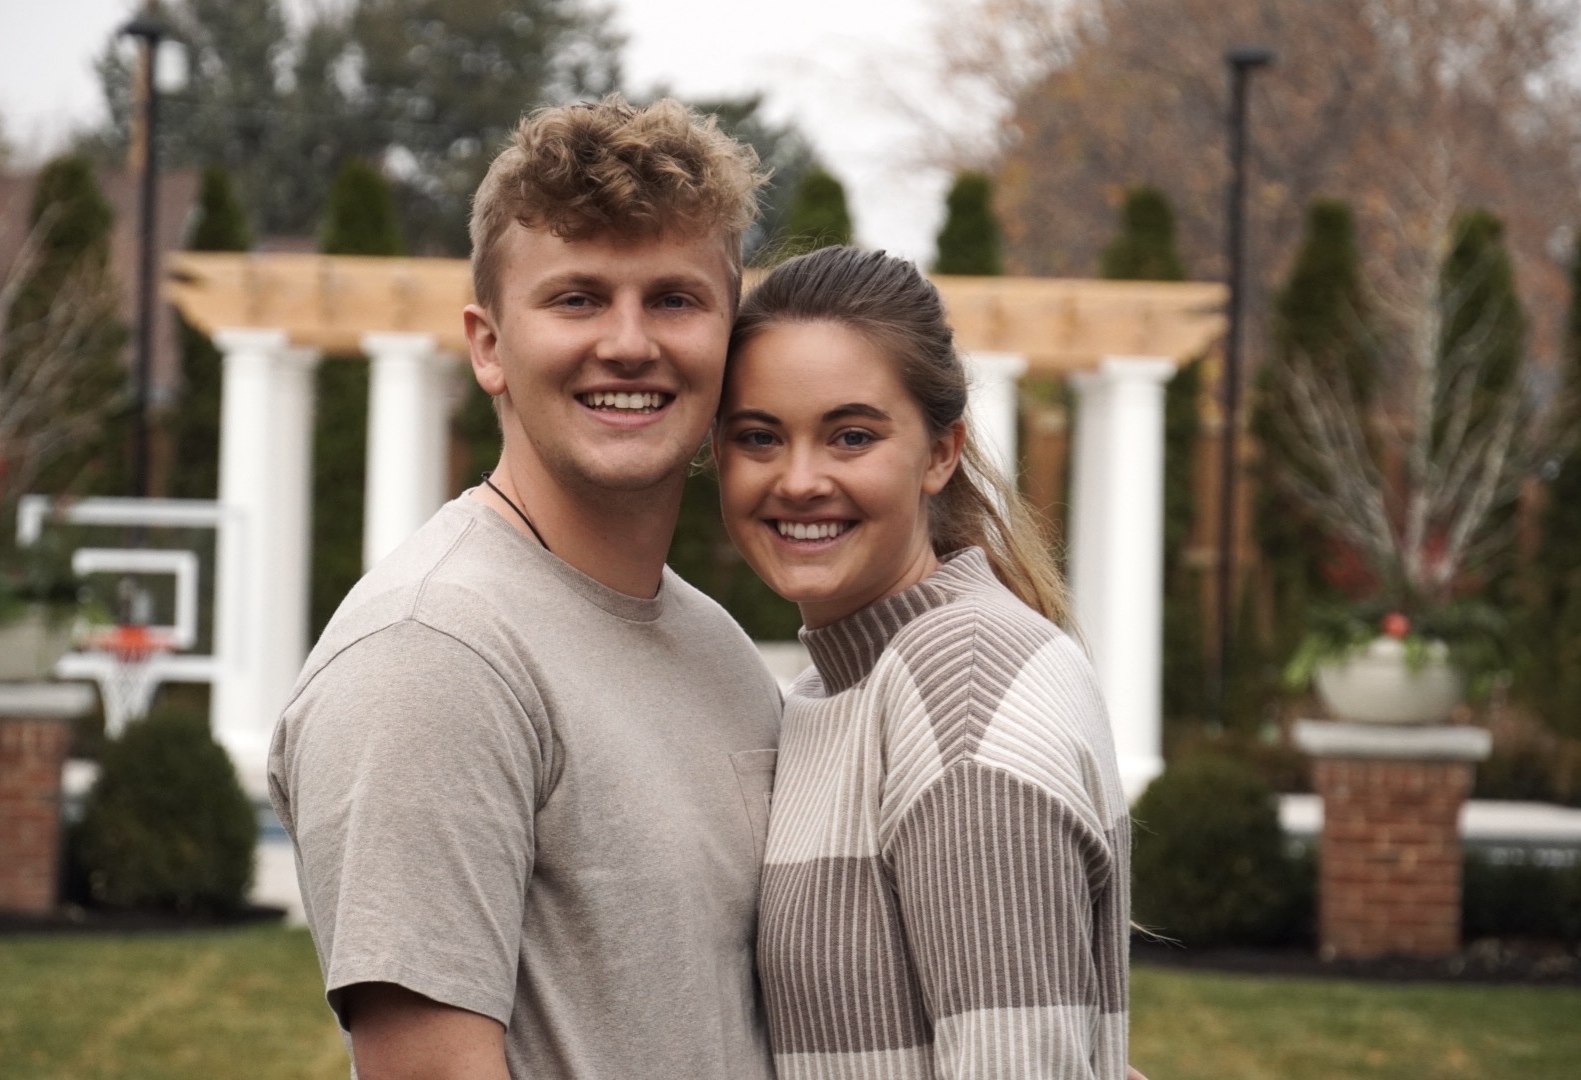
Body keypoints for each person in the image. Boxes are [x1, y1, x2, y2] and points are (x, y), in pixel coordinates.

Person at [268, 96, 779, 1080]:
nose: (629, 343)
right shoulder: (432, 653)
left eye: (673, 298)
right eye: (577, 298)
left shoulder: (716, 649)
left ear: (728, 341)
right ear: (489, 345)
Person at [715, 245, 1132, 1079]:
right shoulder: (838, 685)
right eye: (760, 437)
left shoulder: (962, 686)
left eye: (852, 436)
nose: (798, 480)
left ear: (941, 452)